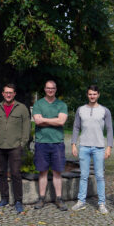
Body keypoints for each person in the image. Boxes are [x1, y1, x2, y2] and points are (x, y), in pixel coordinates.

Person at [0, 83, 31, 214]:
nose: (8, 94)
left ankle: (18, 201)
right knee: (1, 172)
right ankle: (4, 199)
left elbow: (27, 127)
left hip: (15, 147)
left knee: (16, 174)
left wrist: (22, 143)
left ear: (14, 94)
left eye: (10, 92)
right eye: (6, 92)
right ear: (2, 93)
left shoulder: (22, 108)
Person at [71, 85, 113, 214]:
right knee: (83, 176)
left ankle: (101, 203)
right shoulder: (81, 110)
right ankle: (81, 201)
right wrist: (73, 144)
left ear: (98, 95)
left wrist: (109, 147)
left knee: (100, 176)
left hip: (99, 147)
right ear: (87, 95)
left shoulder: (104, 111)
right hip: (84, 146)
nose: (92, 96)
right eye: (90, 94)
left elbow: (110, 129)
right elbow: (76, 127)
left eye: (94, 94)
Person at [32, 80, 68, 211]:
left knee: (57, 172)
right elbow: (37, 121)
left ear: (56, 89)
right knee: (43, 172)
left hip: (57, 142)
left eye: (52, 88)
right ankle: (41, 198)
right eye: (48, 88)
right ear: (45, 89)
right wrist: (54, 120)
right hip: (42, 142)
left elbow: (61, 121)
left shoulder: (62, 104)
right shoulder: (38, 104)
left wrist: (45, 120)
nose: (50, 90)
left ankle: (59, 198)